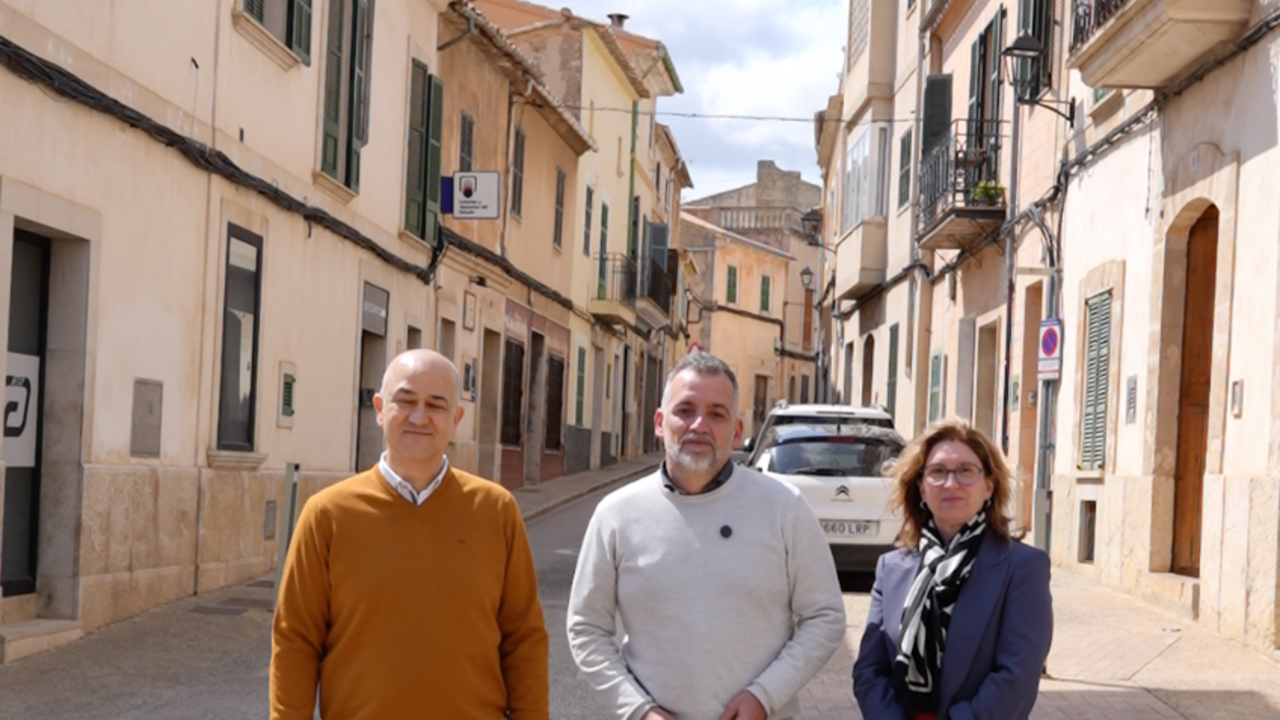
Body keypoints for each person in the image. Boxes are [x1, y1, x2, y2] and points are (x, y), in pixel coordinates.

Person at [270, 349, 549, 719]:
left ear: (456, 419)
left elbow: (523, 639)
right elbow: (295, 642)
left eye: (436, 405)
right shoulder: (327, 516)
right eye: (405, 401)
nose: (420, 417)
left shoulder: (496, 512)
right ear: (380, 409)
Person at [567, 351, 846, 720]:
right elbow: (586, 628)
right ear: (659, 422)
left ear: (737, 430)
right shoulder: (616, 514)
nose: (699, 424)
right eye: (685, 410)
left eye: (717, 413)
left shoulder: (784, 508)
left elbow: (825, 616)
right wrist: (638, 710)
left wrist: (764, 696)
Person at [852, 420, 1053, 720]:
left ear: (989, 485)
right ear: (920, 485)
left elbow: (1017, 675)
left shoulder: (1022, 568)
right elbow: (870, 670)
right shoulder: (891, 568)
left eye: (965, 471)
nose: (950, 484)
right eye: (937, 472)